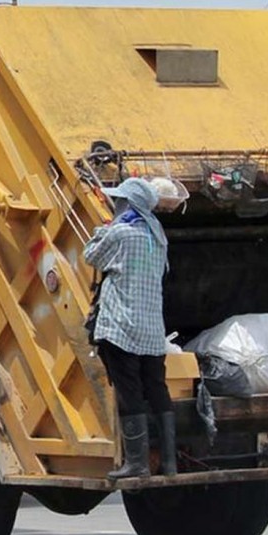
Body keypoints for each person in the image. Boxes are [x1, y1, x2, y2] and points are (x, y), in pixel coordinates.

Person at [86, 177, 176, 479]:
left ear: (129, 203)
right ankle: (170, 462)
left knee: (129, 392)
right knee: (157, 387)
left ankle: (137, 463)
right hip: (152, 329)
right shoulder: (158, 234)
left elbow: (91, 255)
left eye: (121, 200)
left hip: (121, 328)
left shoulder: (121, 232)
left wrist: (103, 229)